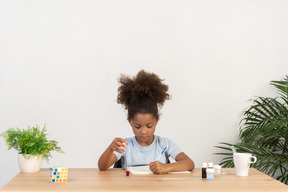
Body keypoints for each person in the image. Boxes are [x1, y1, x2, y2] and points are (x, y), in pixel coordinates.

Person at [98, 70, 194, 174]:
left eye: (149, 126)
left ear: (156, 121)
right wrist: (110, 149)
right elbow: (102, 167)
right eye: (137, 126)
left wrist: (166, 167)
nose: (143, 132)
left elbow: (189, 163)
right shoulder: (125, 145)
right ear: (130, 122)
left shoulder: (164, 144)